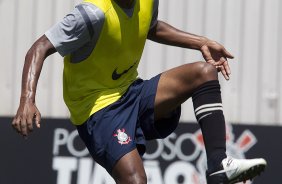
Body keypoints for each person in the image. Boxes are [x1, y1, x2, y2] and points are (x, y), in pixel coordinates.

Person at [12, 0, 267, 183]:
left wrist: (200, 42)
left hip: (132, 92)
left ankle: (218, 167)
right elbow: (40, 47)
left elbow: (151, 26)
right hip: (97, 110)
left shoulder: (147, 1)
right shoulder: (91, 15)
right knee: (135, 180)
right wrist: (27, 99)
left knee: (204, 72)